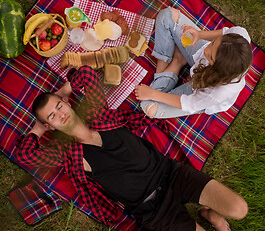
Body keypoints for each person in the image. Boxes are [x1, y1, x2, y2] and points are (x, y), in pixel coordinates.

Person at [16, 66, 248, 231]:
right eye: (52, 117)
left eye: (59, 106)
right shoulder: (67, 154)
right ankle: (208, 216)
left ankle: (212, 213)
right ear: (50, 125)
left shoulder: (99, 113)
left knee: (239, 209)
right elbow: (25, 154)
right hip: (152, 210)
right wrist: (38, 129)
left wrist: (64, 91)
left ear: (67, 102)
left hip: (171, 174)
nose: (61, 114)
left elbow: (86, 74)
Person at [135, 7, 253, 118]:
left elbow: (189, 103)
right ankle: (174, 63)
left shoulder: (217, 92)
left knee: (148, 106)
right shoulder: (240, 36)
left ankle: (176, 62)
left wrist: (153, 94)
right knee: (168, 15)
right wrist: (199, 34)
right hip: (198, 59)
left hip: (200, 88)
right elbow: (223, 34)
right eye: (213, 43)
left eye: (211, 57)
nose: (206, 50)